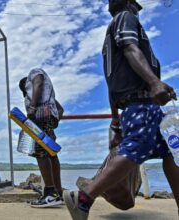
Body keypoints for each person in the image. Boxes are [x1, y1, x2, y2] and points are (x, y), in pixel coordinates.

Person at [64, 0, 179, 219]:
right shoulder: (126, 18)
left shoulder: (111, 34)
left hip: (140, 105)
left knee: (172, 152)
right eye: (137, 5)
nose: (139, 9)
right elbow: (130, 47)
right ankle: (84, 198)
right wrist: (154, 83)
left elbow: (111, 85)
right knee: (137, 146)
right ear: (128, 3)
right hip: (141, 103)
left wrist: (115, 120)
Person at [19, 68, 64, 208]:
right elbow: (60, 109)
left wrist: (32, 108)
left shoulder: (34, 73)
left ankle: (50, 193)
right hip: (47, 119)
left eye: (25, 88)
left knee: (40, 151)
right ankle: (58, 192)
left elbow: (38, 82)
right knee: (51, 153)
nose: (26, 91)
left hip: (39, 116)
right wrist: (53, 120)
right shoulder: (48, 96)